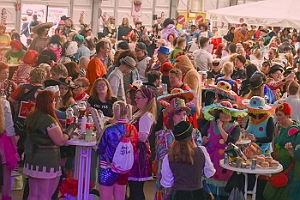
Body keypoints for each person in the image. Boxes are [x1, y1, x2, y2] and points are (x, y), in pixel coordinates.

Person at [23, 90, 75, 200]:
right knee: (45, 195)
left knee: (33, 194)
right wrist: (71, 129)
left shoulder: (31, 116)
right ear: (50, 102)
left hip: (32, 159)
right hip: (48, 161)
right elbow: (60, 141)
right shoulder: (49, 120)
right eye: (54, 100)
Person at [202, 101, 247, 199]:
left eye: (228, 112)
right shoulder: (210, 123)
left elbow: (230, 141)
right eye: (223, 112)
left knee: (223, 192)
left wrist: (220, 128)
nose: (226, 115)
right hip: (210, 159)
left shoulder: (235, 127)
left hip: (224, 162)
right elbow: (202, 135)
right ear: (218, 114)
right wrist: (203, 140)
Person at [160, 121, 215, 200]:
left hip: (179, 195)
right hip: (199, 194)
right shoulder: (201, 151)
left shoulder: (169, 157)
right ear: (191, 136)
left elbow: (166, 183)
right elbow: (210, 172)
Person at [98, 101, 138, 200]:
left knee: (105, 197)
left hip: (108, 167)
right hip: (124, 167)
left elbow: (100, 148)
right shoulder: (133, 129)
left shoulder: (108, 129)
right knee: (120, 197)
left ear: (114, 112)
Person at [264, 103, 299, 200]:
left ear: (287, 115)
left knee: (283, 194)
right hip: (276, 164)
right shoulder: (278, 127)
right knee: (269, 193)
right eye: (277, 115)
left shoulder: (295, 130)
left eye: (280, 115)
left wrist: (291, 150)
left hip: (288, 167)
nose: (277, 117)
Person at [128, 87, 157, 200]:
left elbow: (143, 136)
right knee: (134, 188)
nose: (136, 100)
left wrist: (127, 135)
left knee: (136, 189)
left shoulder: (146, 116)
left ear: (146, 99)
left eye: (138, 98)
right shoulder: (141, 113)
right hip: (136, 151)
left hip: (139, 154)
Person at [0, 97, 18, 200]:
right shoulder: (4, 103)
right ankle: (5, 197)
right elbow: (9, 127)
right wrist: (14, 146)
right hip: (3, 142)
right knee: (6, 171)